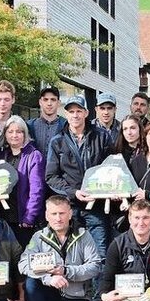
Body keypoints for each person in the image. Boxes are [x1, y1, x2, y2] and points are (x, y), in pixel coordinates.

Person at [20, 195, 103, 301]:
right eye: (54, 214)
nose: (58, 218)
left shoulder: (84, 235)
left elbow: (95, 266)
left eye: (62, 213)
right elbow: (23, 264)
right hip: (49, 293)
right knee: (31, 283)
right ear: (47, 215)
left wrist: (67, 271)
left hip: (76, 295)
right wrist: (48, 278)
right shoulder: (38, 237)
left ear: (70, 214)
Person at [44, 95, 115, 255]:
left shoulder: (102, 136)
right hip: (71, 208)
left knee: (99, 254)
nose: (75, 115)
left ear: (86, 113)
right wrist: (73, 192)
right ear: (66, 114)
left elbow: (112, 169)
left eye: (79, 111)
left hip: (96, 207)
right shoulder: (57, 141)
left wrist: (104, 191)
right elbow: (51, 177)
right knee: (72, 254)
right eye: (71, 111)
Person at [1, 115, 46, 246]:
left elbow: (37, 190)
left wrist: (29, 216)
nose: (14, 135)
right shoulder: (3, 155)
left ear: (25, 134)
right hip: (4, 217)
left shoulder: (34, 156)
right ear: (5, 134)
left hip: (23, 219)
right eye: (10, 131)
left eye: (19, 131)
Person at [29, 85, 68, 156]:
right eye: (45, 99)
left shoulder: (66, 125)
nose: (49, 103)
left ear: (59, 102)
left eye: (53, 99)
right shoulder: (29, 125)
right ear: (40, 102)